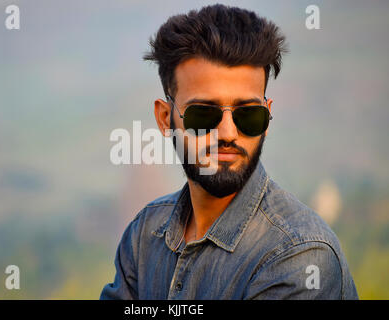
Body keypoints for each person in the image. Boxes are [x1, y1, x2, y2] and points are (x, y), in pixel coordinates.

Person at [100, 4, 358, 299]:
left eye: (248, 114)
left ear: (267, 116)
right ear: (164, 118)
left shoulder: (300, 256)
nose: (227, 133)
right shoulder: (144, 234)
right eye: (203, 114)